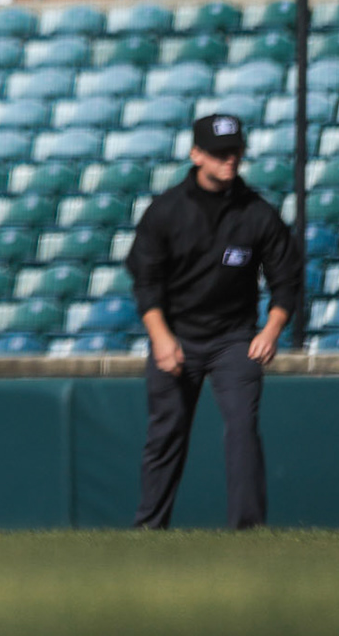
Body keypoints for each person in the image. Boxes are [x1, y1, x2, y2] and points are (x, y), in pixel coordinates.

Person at [127, 113, 303, 529]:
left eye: (235, 152)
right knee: (165, 434)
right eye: (220, 153)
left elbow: (286, 279)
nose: (229, 160)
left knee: (243, 426)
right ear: (196, 155)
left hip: (233, 338)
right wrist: (161, 338)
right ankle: (148, 530)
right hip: (177, 335)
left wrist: (272, 328)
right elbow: (146, 280)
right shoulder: (166, 210)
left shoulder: (257, 213)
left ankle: (247, 529)